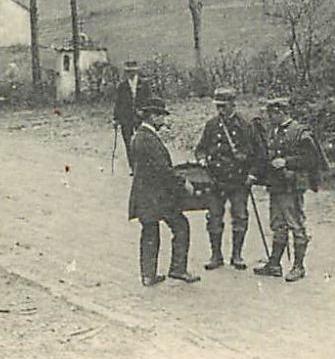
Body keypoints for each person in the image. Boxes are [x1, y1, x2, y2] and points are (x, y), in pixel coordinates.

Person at [127, 97, 200, 287]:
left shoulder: (140, 136)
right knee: (180, 225)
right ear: (152, 116)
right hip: (156, 196)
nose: (164, 121)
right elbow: (162, 170)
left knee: (150, 231)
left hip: (146, 194)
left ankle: (148, 275)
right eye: (161, 116)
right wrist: (183, 182)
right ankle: (177, 269)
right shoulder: (147, 139)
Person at [194, 86, 260, 271]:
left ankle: (237, 255)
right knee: (214, 217)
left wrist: (252, 174)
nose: (220, 111)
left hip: (238, 181)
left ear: (233, 104)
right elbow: (200, 148)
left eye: (224, 106)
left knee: (240, 216)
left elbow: (258, 154)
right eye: (218, 107)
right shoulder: (212, 125)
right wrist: (201, 160)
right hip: (215, 179)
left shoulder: (246, 125)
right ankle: (216, 255)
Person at [255, 96, 319, 282]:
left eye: (271, 113)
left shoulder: (300, 132)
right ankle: (274, 264)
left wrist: (287, 162)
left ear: (281, 112)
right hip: (276, 186)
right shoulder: (274, 131)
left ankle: (298, 267)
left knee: (295, 224)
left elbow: (312, 159)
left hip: (291, 186)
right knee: (278, 225)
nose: (269, 117)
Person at [111, 59, 151, 169]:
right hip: (126, 118)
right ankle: (133, 167)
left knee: (141, 141)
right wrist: (115, 118)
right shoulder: (122, 86)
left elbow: (149, 100)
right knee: (128, 143)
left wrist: (144, 111)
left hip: (141, 118)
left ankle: (142, 166)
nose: (130, 74)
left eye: (132, 71)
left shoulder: (144, 84)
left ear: (137, 71)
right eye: (128, 72)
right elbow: (118, 103)